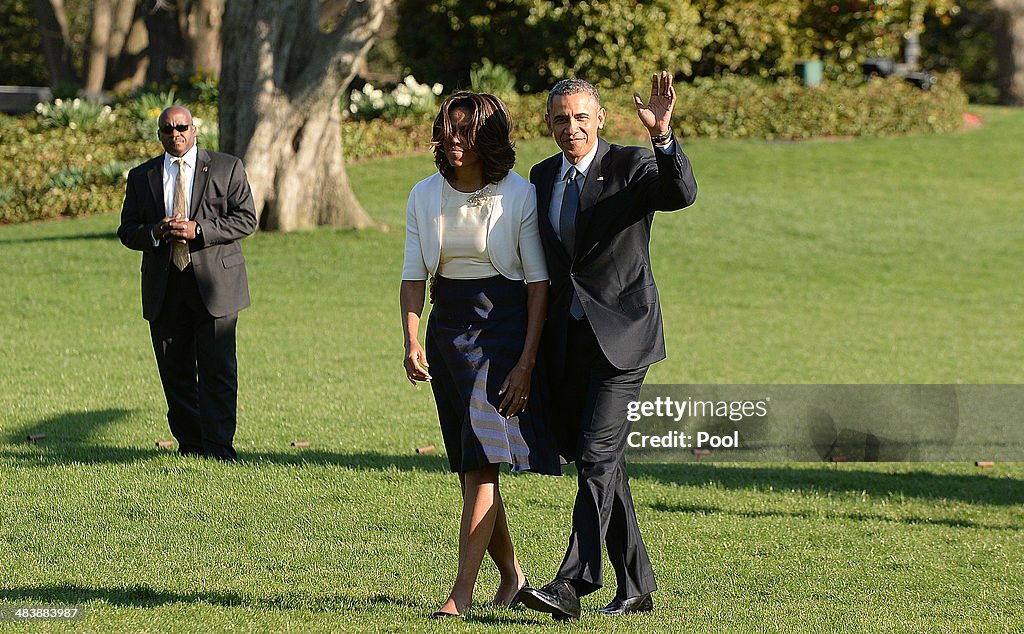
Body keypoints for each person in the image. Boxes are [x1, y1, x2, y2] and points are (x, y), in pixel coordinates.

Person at [518, 72, 698, 619]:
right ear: (549, 125)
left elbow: (680, 193)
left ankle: (573, 582)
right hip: (566, 342)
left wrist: (663, 138)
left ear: (599, 118)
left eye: (580, 117)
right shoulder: (542, 176)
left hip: (623, 336)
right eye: (559, 119)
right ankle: (637, 583)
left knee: (597, 456)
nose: (570, 127)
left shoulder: (632, 166)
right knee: (602, 461)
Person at [400, 92, 561, 618]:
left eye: (465, 129)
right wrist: (411, 338)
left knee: (482, 467)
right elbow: (412, 275)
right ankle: (513, 576)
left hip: (503, 333)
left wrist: (526, 362)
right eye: (448, 128)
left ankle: (460, 594)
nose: (453, 138)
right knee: (476, 463)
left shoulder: (519, 194)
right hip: (449, 333)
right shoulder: (423, 194)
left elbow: (538, 282)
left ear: (487, 136)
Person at [118, 105, 257, 462]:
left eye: (181, 127)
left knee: (218, 372)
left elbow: (245, 220)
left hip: (215, 285)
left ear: (195, 129)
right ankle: (191, 447)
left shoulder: (227, 168)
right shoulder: (142, 176)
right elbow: (126, 230)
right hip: (165, 288)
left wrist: (200, 230)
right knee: (175, 372)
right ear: (159, 134)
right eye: (167, 129)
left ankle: (220, 449)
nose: (175, 133)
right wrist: (153, 232)